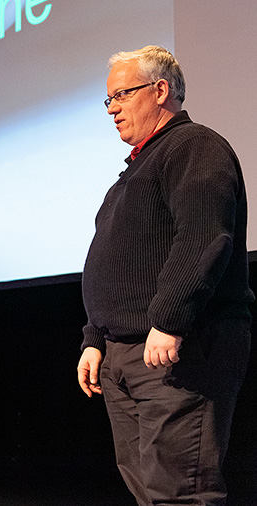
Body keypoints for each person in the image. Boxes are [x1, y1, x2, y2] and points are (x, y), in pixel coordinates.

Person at [77, 45, 253, 505]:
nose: (111, 108)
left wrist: (171, 319)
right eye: (108, 99)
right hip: (124, 354)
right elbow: (114, 262)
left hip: (178, 350)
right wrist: (95, 338)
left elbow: (203, 237)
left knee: (180, 494)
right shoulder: (133, 172)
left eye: (121, 94)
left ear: (160, 91)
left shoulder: (193, 146)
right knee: (151, 494)